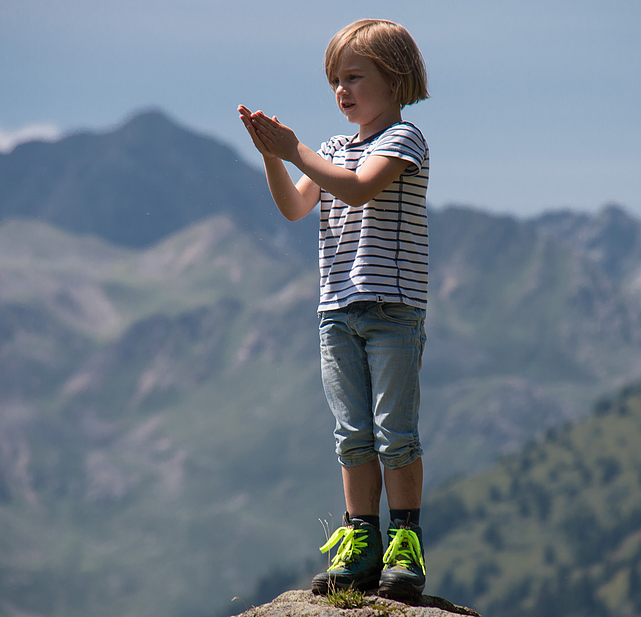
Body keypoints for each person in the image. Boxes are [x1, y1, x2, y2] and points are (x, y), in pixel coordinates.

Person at [237, 18, 430, 601]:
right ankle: (361, 539)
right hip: (336, 309)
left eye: (354, 77)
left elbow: (357, 188)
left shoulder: (404, 139)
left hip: (392, 308)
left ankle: (405, 543)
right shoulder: (329, 150)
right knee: (352, 434)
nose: (342, 91)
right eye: (335, 81)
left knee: (394, 433)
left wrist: (291, 147)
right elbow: (296, 208)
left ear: (394, 81)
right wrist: (274, 157)